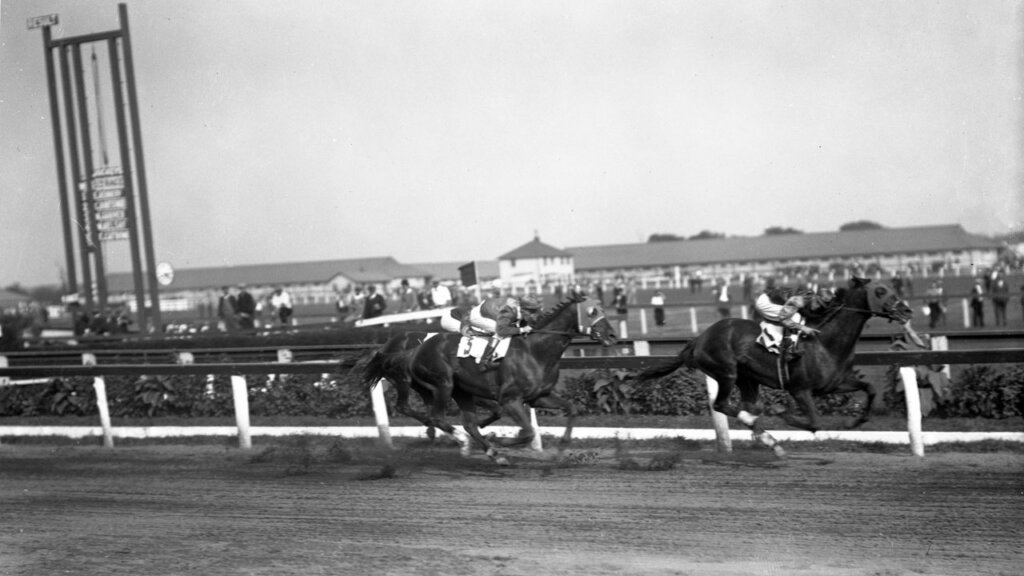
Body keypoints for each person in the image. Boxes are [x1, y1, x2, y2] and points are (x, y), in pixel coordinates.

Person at [462, 294, 544, 369]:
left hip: (492, 310)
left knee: (513, 328)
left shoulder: (519, 309)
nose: (533, 315)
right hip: (478, 316)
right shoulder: (509, 312)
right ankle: (484, 361)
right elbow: (501, 330)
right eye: (532, 312)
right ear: (523, 309)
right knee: (498, 332)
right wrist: (522, 329)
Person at [754, 285, 820, 361]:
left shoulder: (808, 296)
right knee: (796, 317)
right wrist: (803, 328)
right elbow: (783, 318)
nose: (818, 306)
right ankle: (789, 350)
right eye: (818, 303)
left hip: (770, 299)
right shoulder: (798, 301)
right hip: (764, 304)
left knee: (797, 315)